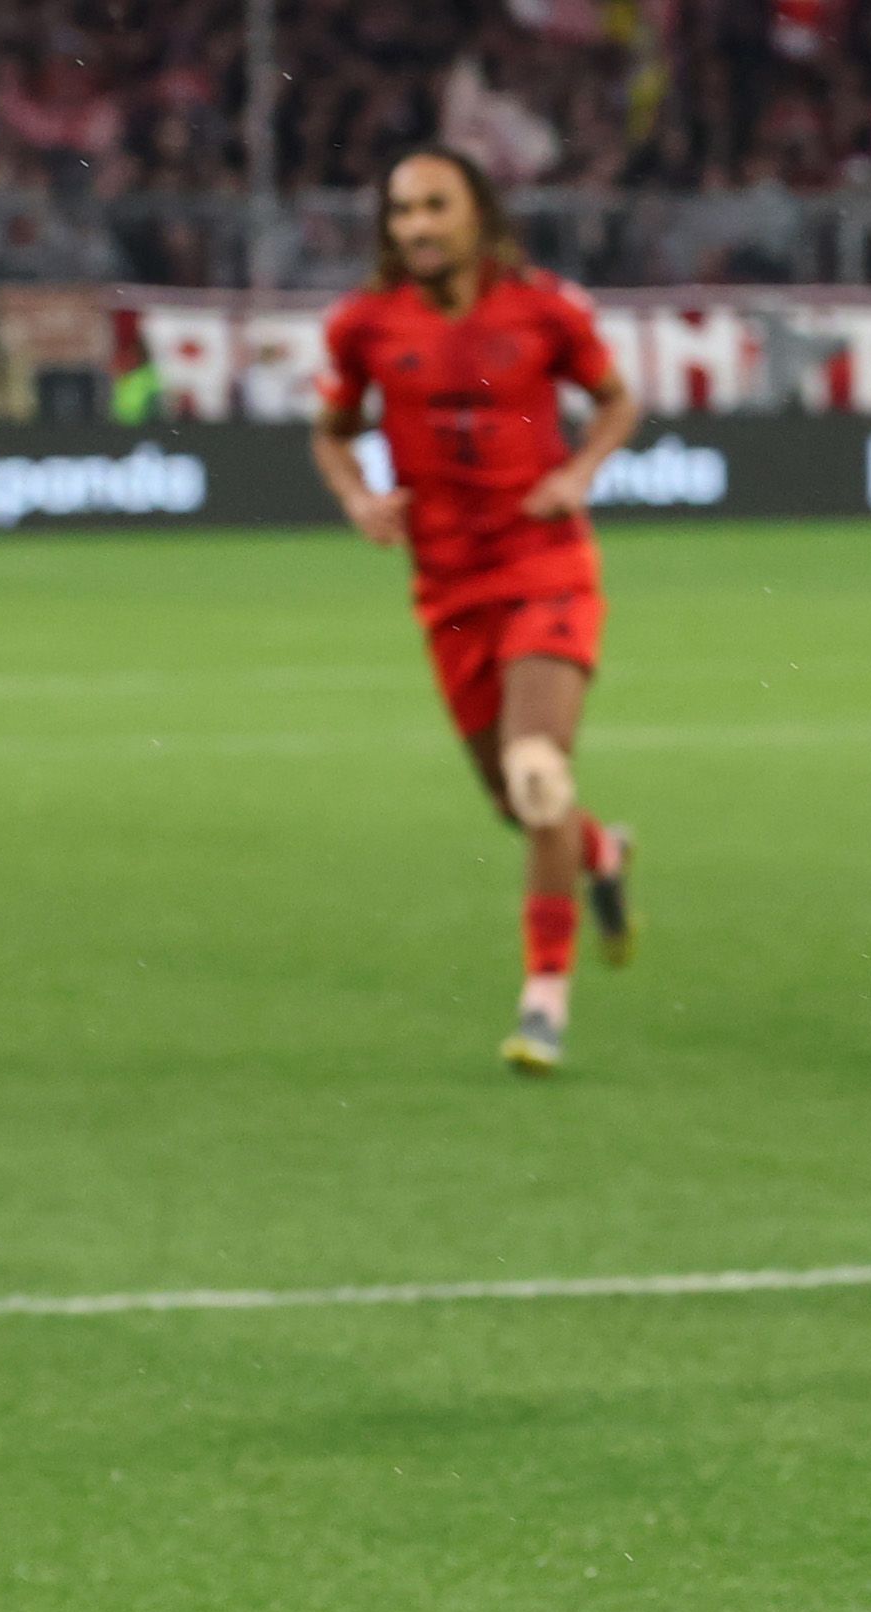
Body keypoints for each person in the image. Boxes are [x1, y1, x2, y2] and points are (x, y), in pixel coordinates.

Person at [310, 146, 643, 1076]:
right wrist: (357, 497)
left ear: (477, 212)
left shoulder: (543, 309)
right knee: (518, 802)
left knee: (537, 770)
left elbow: (616, 404)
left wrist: (578, 471)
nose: (416, 225)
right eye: (401, 209)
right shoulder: (365, 327)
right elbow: (332, 433)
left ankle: (544, 1002)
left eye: (434, 206)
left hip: (543, 565)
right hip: (447, 588)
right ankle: (600, 849)